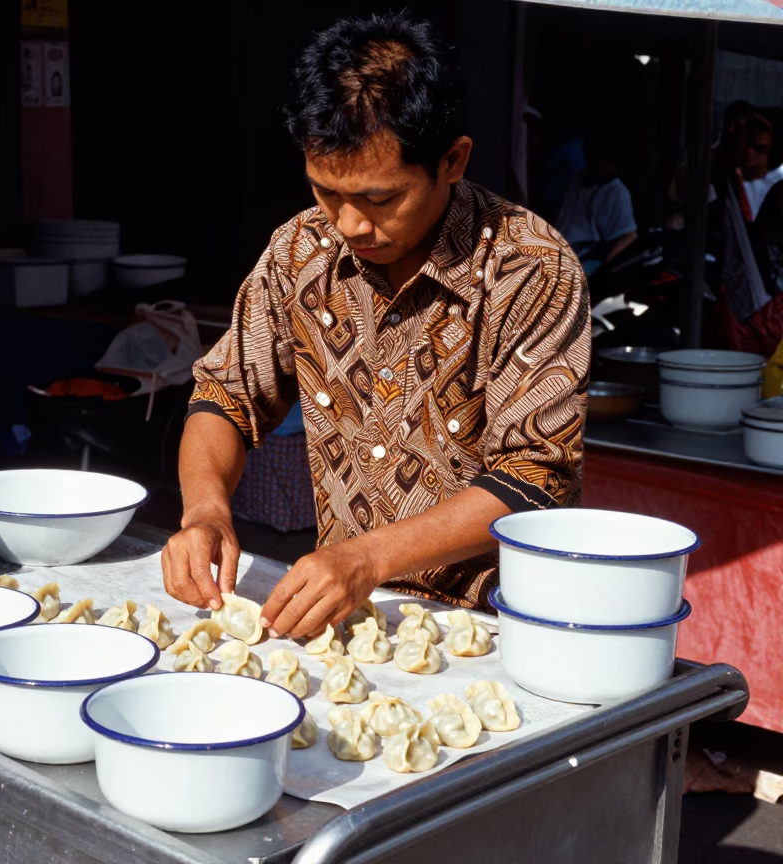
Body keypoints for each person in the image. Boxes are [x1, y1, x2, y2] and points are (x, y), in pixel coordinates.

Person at [160, 12, 590, 638]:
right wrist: (204, 511)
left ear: (452, 160)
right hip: (350, 621)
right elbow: (225, 395)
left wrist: (367, 557)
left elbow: (536, 474)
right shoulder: (298, 254)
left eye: (381, 199)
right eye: (325, 193)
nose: (350, 224)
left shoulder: (528, 269)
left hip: (495, 629)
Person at [554, 128, 638, 271]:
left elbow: (627, 237)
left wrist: (604, 272)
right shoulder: (576, 181)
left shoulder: (616, 192)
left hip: (587, 261)